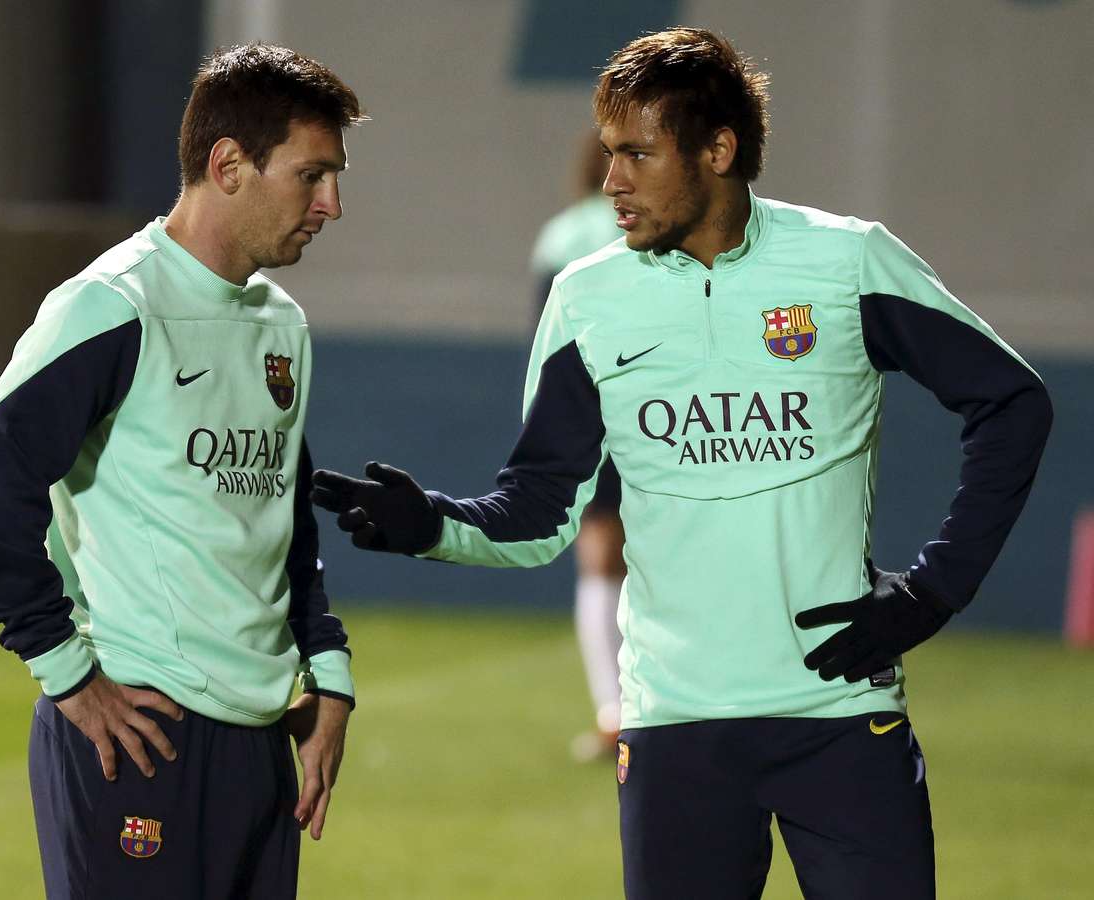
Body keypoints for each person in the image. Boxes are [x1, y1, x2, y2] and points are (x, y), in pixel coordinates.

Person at [310, 27, 1053, 900]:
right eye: (610, 153)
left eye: (637, 154)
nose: (611, 181)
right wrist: (434, 524)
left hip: (841, 714)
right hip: (675, 728)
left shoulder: (847, 262)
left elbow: (1013, 403)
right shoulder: (586, 299)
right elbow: (541, 509)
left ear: (718, 150)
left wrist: (935, 590)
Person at [0, 44, 361, 898]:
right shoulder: (112, 307)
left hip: (260, 742)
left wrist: (328, 672)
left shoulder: (281, 324)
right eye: (311, 175)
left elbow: (282, 518)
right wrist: (65, 670)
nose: (331, 204)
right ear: (228, 165)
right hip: (139, 735)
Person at [530, 131, 625, 760]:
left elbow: (549, 346)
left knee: (598, 561)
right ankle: (657, 711)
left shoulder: (561, 237)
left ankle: (614, 714)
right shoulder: (658, 230)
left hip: (588, 415)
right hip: (664, 411)